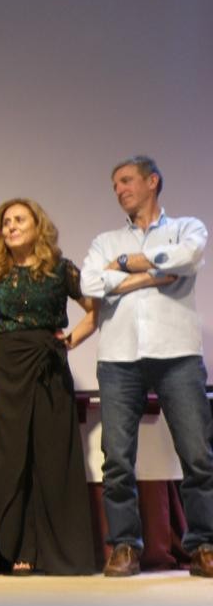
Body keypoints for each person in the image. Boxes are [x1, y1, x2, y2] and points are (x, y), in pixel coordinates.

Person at [80, 156, 213, 578]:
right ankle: (124, 546)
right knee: (117, 458)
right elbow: (89, 283)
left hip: (178, 354)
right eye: (114, 185)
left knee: (198, 454)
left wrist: (121, 266)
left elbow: (187, 258)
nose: (119, 190)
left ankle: (205, 545)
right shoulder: (105, 241)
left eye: (126, 181)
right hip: (119, 358)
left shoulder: (187, 227)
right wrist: (151, 273)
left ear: (152, 181)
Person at [0, 198, 97, 575]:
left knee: (52, 456)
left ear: (37, 226)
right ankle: (14, 549)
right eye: (5, 221)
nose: (10, 226)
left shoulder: (61, 270)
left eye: (19, 219)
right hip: (3, 370)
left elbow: (97, 310)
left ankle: (57, 552)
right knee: (8, 459)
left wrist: (71, 340)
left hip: (47, 366)